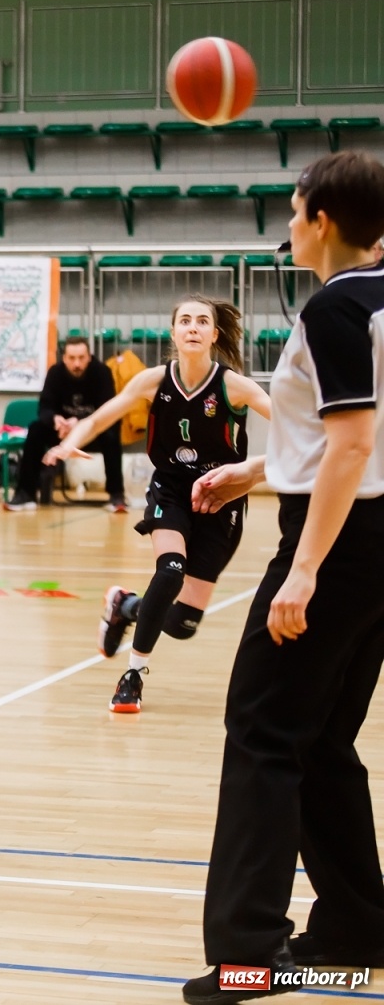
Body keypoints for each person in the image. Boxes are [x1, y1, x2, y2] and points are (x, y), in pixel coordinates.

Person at [180, 152, 384, 1002]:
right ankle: (356, 928)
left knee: (262, 733)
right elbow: (350, 436)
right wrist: (255, 471)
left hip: (334, 543)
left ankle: (246, 954)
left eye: (296, 212)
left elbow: (354, 445)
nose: (289, 226)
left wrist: (302, 571)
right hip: (376, 541)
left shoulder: (335, 305)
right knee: (323, 738)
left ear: (324, 220)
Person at [45, 301, 270, 713]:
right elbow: (101, 417)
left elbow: (294, 423)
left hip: (223, 495)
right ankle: (132, 675)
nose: (193, 328)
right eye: (185, 321)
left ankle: (125, 606)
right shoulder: (153, 381)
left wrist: (260, 470)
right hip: (170, 488)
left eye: (203, 322)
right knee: (169, 572)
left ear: (214, 335)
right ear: (172, 333)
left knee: (183, 624)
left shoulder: (234, 385)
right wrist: (67, 442)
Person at [4, 337, 125, 513]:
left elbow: (108, 409)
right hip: (61, 432)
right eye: (72, 358)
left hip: (92, 431)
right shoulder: (55, 373)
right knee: (36, 429)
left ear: (89, 356)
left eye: (81, 358)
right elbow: (44, 408)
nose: (77, 363)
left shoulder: (102, 372)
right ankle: (26, 493)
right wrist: (55, 419)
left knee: (111, 435)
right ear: (64, 358)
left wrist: (80, 421)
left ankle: (116, 494)